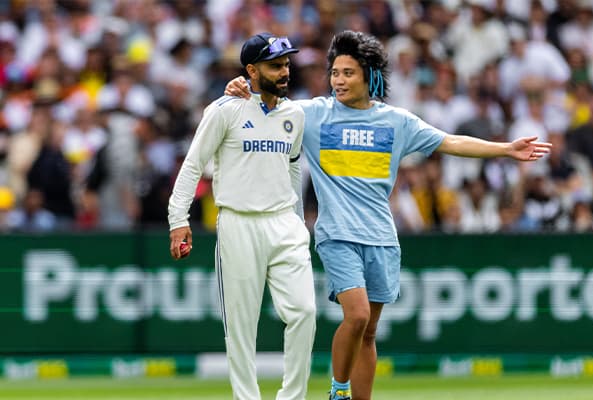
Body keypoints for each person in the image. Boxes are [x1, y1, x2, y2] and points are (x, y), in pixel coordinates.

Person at [226, 30, 552, 400]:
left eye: (348, 73)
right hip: (337, 235)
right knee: (358, 315)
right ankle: (338, 390)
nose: (338, 80)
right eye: (335, 72)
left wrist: (506, 149)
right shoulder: (313, 115)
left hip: (382, 237)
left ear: (370, 76)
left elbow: (452, 142)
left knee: (369, 331)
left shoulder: (397, 122)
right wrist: (245, 88)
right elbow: (269, 107)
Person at [168, 32, 316, 400]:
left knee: (304, 313)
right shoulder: (224, 110)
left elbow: (293, 170)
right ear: (251, 70)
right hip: (238, 221)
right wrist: (178, 219)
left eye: (286, 65)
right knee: (241, 326)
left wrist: (297, 219)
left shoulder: (294, 114)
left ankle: (292, 396)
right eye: (275, 66)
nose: (284, 72)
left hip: (284, 223)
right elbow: (192, 165)